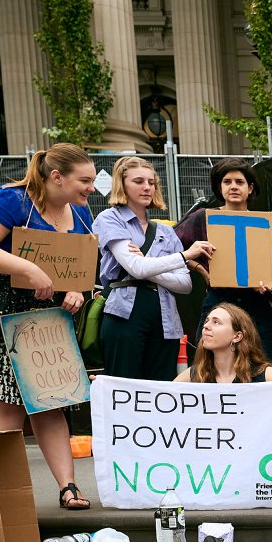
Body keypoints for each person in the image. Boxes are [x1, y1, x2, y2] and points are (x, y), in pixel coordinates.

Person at [0, 143, 98, 509]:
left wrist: (78, 290)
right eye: (85, 180)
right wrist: (26, 268)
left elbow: (81, 268)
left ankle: (68, 487)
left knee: (51, 398)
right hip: (2, 308)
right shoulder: (12, 200)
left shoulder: (80, 215)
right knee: (7, 398)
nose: (92, 188)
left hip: (47, 314)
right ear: (57, 177)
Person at [93, 156, 206, 382]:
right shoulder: (110, 218)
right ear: (121, 184)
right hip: (124, 311)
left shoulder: (166, 231)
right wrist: (182, 256)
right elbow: (135, 268)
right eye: (138, 181)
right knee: (124, 386)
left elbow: (185, 285)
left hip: (165, 316)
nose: (147, 187)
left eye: (151, 182)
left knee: (161, 388)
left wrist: (148, 267)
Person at [175, 158, 272, 359]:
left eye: (239, 182)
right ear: (219, 188)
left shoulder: (265, 222)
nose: (233, 187)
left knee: (265, 361)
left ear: (250, 188)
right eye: (227, 182)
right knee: (209, 362)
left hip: (256, 302)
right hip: (218, 299)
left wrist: (270, 283)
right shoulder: (202, 218)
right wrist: (199, 268)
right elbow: (171, 248)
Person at [177, 302, 272, 385]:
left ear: (237, 336)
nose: (205, 326)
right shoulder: (194, 374)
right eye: (206, 321)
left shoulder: (264, 375)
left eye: (216, 322)